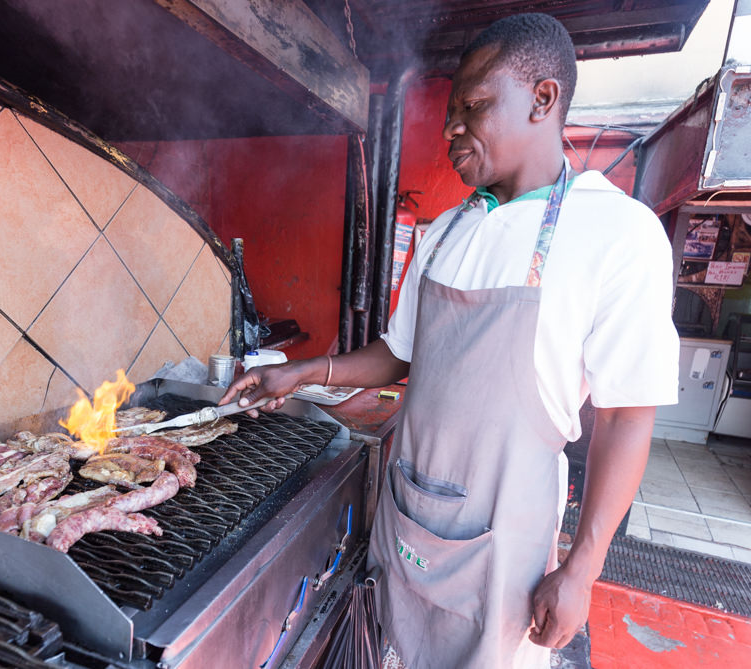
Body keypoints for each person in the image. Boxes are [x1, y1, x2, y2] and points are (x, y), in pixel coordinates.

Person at [220, 12, 680, 669]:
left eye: (473, 106)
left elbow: (628, 415)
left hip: (503, 546)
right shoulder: (445, 233)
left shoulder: (617, 234)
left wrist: (582, 566)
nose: (451, 129)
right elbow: (396, 355)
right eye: (449, 114)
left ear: (543, 99)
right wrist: (298, 372)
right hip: (407, 518)